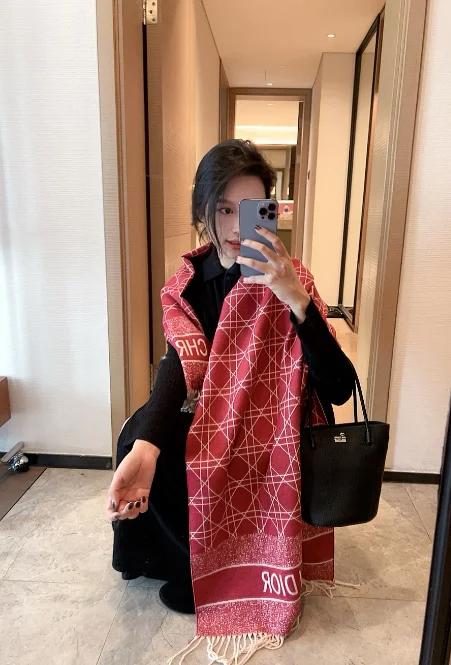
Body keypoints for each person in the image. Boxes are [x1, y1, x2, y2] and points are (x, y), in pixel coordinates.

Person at [106, 139, 354, 663]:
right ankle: (188, 565)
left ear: (270, 211)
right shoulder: (188, 286)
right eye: (224, 210)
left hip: (278, 419)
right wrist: (147, 446)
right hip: (214, 412)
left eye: (249, 209)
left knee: (230, 452)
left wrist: (296, 299)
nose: (238, 227)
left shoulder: (292, 278)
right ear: (203, 212)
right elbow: (179, 364)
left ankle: (236, 571)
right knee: (142, 439)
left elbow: (338, 387)